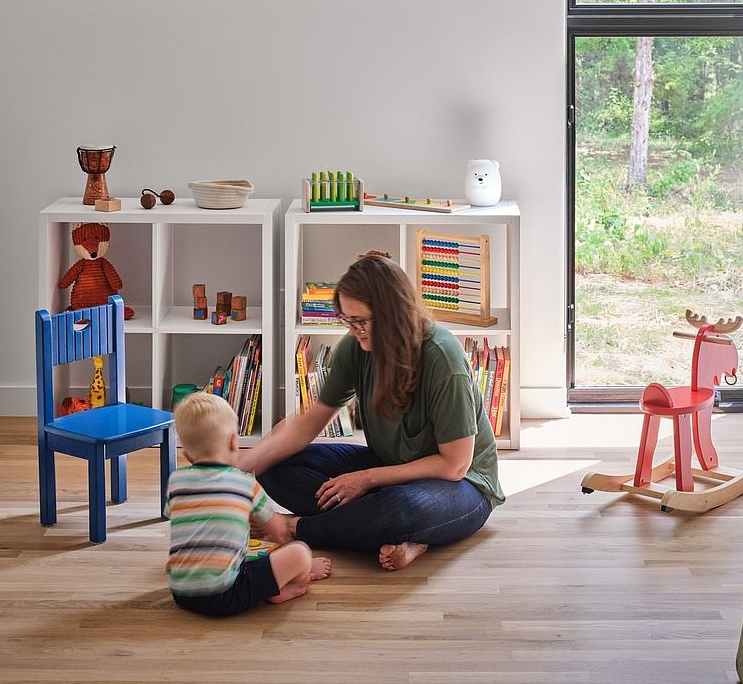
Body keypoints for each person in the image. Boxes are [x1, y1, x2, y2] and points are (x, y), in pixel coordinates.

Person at [241, 252, 505, 571]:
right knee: (275, 465)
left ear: (393, 314)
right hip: (390, 468)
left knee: (396, 509)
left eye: (360, 321)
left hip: (462, 487)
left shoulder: (442, 359)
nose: (353, 330)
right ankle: (391, 533)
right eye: (346, 320)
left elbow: (455, 465)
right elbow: (310, 420)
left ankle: (297, 529)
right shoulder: (357, 346)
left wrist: (366, 479)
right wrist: (240, 467)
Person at [166, 391, 331, 616]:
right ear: (234, 442)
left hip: (180, 592)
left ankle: (267, 584)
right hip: (225, 595)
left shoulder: (176, 481)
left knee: (244, 549)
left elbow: (180, 516)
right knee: (300, 552)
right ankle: (282, 588)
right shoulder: (245, 483)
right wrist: (290, 557)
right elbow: (279, 531)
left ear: (187, 456)